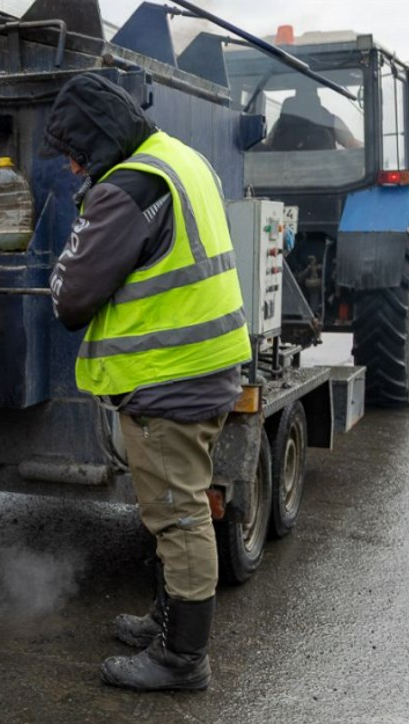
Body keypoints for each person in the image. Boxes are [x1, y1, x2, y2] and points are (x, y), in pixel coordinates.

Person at [41, 72, 252, 692]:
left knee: (177, 516)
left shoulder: (126, 188)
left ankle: (182, 659)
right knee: (175, 506)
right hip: (205, 368)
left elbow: (71, 297)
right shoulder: (183, 159)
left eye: (76, 151)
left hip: (167, 380)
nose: (73, 165)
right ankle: (167, 621)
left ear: (98, 139)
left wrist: (63, 269)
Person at [267, 79, 362, 151]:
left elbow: (267, 145)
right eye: (304, 96)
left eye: (308, 97)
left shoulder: (281, 123)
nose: (305, 101)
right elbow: (352, 145)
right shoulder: (331, 120)